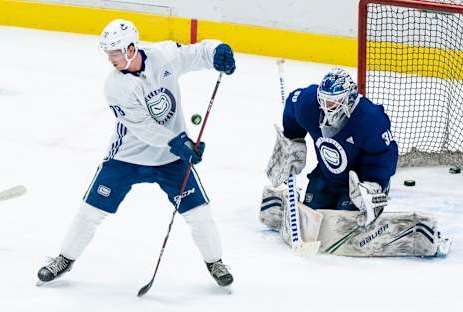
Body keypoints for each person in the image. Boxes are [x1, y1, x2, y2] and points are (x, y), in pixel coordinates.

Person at [37, 19, 236, 287]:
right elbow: (144, 129)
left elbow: (198, 52)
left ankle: (215, 262)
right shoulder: (115, 86)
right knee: (90, 212)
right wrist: (181, 143)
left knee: (199, 213)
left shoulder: (164, 55)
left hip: (170, 159)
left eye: (115, 52)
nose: (110, 58)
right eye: (107, 53)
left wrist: (217, 52)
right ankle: (64, 258)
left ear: (131, 48)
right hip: (126, 158)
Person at [264, 68, 399, 246]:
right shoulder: (309, 104)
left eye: (334, 102)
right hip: (326, 175)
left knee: (343, 221)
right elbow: (292, 105)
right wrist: (292, 139)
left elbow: (384, 155)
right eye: (324, 101)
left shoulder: (370, 119)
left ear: (349, 99)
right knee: (314, 214)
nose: (327, 108)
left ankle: (372, 195)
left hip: (357, 183)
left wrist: (374, 184)